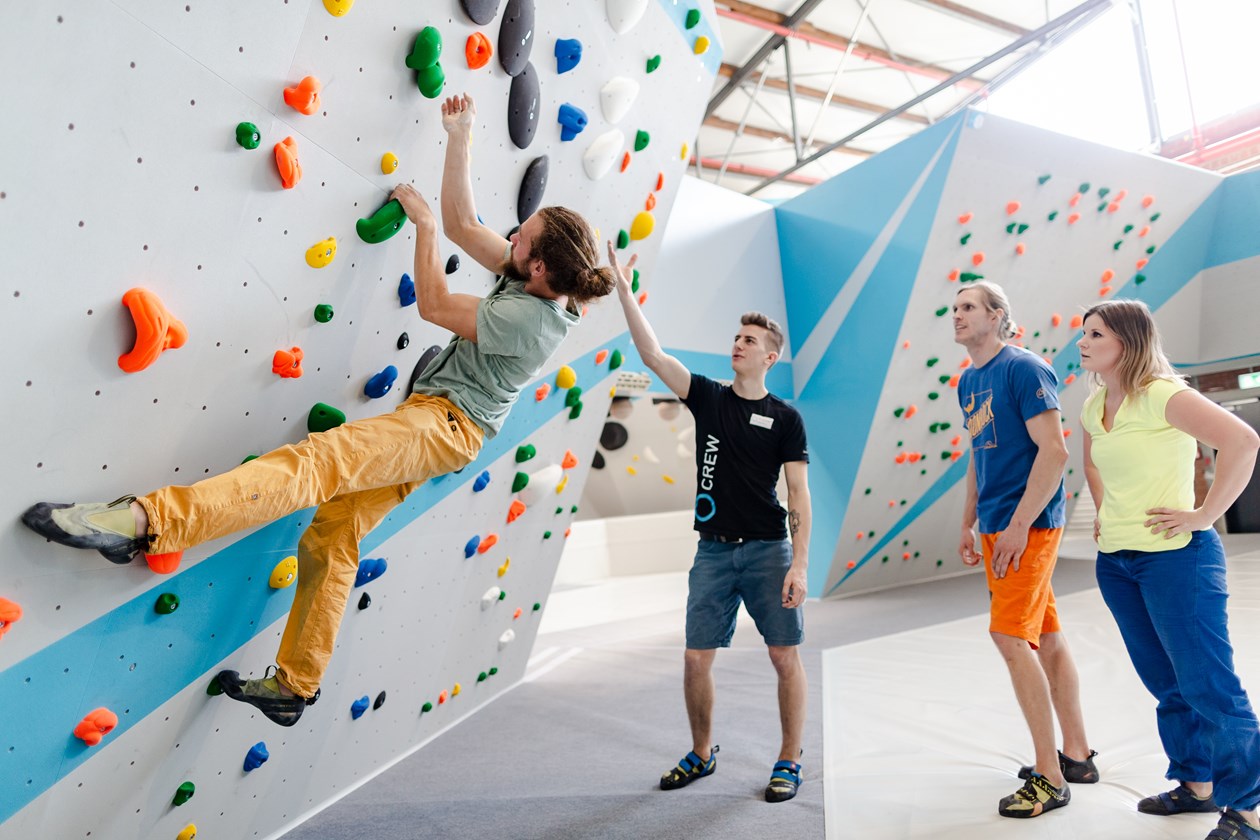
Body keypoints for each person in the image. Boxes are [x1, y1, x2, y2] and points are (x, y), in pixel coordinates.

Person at [21, 92, 615, 727]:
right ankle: (295, 686)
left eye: (522, 236)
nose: (513, 234)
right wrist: (461, 134)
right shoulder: (539, 276)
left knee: (316, 465)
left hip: (445, 425)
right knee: (335, 533)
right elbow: (468, 223)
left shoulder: (531, 318)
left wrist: (422, 231)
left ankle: (145, 523)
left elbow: (435, 306)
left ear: (540, 266)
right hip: (441, 423)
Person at [608, 245, 812, 803]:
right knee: (696, 658)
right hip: (714, 553)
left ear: (769, 356)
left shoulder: (787, 419)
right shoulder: (709, 398)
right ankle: (702, 753)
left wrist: (800, 563)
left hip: (770, 549)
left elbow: (799, 493)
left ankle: (789, 759)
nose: (738, 344)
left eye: (749, 340)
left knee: (782, 655)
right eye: (737, 337)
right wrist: (625, 289)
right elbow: (650, 353)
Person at [1078, 299, 1260, 840]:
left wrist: (1207, 513)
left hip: (1178, 559)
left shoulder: (1164, 394)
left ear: (1128, 343)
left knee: (1210, 684)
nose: (1082, 342)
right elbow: (1091, 460)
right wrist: (1106, 510)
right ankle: (1196, 784)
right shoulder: (1093, 405)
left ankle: (1247, 808)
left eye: (1095, 334)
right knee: (1167, 682)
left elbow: (1243, 441)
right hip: (1117, 562)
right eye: (1083, 333)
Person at [953, 282, 1098, 818]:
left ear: (998, 316)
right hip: (996, 524)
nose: (958, 314)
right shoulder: (969, 380)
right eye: (955, 308)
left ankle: (1050, 776)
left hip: (1029, 526)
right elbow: (978, 454)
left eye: (969, 306)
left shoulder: (1024, 368)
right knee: (1048, 637)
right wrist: (970, 522)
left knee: (1010, 637)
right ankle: (1076, 755)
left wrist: (1017, 526)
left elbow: (1055, 453)